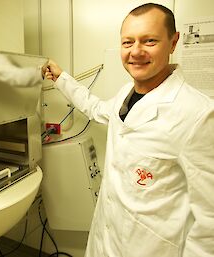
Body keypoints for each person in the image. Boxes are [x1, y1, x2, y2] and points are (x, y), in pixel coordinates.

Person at [42, 3, 214, 257]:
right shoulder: (126, 93)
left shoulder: (198, 114)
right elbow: (96, 108)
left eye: (150, 41)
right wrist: (60, 79)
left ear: (173, 42)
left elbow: (209, 220)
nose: (136, 51)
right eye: (127, 42)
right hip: (106, 239)